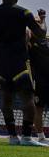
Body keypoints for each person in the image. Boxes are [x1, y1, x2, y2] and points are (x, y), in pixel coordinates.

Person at [0, 0, 47, 146]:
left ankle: (13, 137)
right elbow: (40, 34)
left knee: (6, 98)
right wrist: (42, 21)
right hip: (19, 61)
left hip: (1, 62)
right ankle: (27, 137)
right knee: (28, 98)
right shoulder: (23, 12)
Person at [28, 8, 49, 145]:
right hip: (38, 79)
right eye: (35, 23)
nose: (38, 25)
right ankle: (41, 136)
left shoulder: (45, 39)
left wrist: (43, 19)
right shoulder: (29, 41)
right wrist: (38, 20)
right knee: (39, 108)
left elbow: (44, 30)